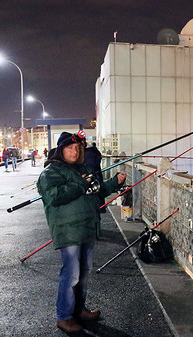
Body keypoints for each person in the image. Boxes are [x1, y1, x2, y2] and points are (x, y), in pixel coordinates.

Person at [37, 130, 126, 333]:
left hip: (86, 227)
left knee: (83, 273)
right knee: (71, 274)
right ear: (61, 150)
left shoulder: (82, 169)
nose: (75, 152)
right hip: (68, 231)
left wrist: (114, 183)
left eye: (78, 148)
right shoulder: (51, 171)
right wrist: (80, 183)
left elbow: (96, 192)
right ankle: (64, 316)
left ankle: (79, 309)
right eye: (70, 148)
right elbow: (53, 196)